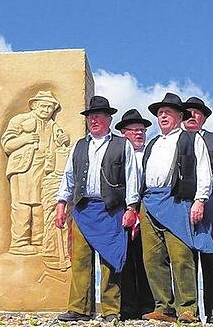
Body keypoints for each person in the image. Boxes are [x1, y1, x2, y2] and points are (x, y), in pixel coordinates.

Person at [55, 96, 140, 322]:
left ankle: (111, 310)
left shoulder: (122, 144)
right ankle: (79, 309)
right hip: (83, 209)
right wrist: (61, 204)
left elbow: (132, 177)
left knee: (110, 260)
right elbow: (69, 177)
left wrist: (131, 207)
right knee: (81, 260)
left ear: (109, 119)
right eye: (91, 116)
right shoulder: (79, 146)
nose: (94, 120)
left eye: (98, 116)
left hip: (111, 209)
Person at [139, 93, 213, 323]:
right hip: (150, 201)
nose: (162, 115)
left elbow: (203, 170)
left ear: (180, 116)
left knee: (181, 256)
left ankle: (187, 308)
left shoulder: (191, 139)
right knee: (153, 258)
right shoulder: (152, 142)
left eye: (168, 112)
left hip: (177, 201)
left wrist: (200, 200)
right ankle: (163, 307)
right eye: (160, 113)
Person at [1, 91, 71, 265]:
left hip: (46, 170)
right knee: (23, 204)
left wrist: (64, 139)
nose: (47, 110)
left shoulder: (52, 125)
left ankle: (39, 240)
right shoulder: (20, 120)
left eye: (50, 107)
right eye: (44, 106)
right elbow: (7, 144)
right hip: (24, 168)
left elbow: (62, 140)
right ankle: (20, 241)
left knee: (41, 205)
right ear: (34, 105)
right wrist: (24, 139)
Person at [183, 96, 213, 324]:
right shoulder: (172, 140)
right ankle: (189, 312)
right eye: (188, 112)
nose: (192, 116)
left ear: (203, 117)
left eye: (196, 112)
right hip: (181, 204)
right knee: (184, 257)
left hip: (211, 203)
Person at [115, 109, 155, 321]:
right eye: (134, 130)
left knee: (148, 260)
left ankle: (149, 305)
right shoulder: (118, 155)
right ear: (124, 133)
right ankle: (127, 306)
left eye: (142, 130)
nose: (139, 134)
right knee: (125, 260)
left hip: (147, 212)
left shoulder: (151, 154)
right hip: (122, 213)